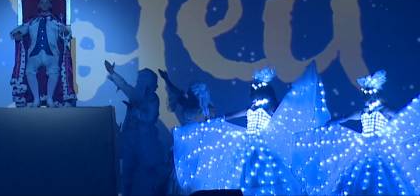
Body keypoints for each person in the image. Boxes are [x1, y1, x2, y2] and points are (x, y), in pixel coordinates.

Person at [173, 63, 329, 195]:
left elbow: (281, 114)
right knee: (247, 171)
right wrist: (218, 120)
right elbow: (232, 115)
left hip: (262, 144)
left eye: (254, 88)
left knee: (264, 171)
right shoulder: (252, 107)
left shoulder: (270, 108)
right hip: (248, 143)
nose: (252, 91)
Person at [293, 70, 420, 195]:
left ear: (376, 94)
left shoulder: (383, 110)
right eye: (365, 93)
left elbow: (400, 117)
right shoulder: (363, 112)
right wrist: (331, 124)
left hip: (380, 146)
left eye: (369, 93)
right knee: (358, 176)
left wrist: (389, 115)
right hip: (364, 146)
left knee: (381, 176)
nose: (367, 97)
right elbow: (346, 117)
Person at [105, 61, 168, 195]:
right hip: (130, 139)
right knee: (128, 169)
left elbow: (150, 118)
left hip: (145, 141)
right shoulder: (136, 95)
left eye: (141, 80)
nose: (138, 83)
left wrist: (136, 113)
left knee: (146, 172)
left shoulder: (152, 99)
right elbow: (124, 85)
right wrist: (113, 73)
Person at [10, 0, 72, 107]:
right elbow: (21, 29)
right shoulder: (32, 22)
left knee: (54, 71)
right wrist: (17, 34)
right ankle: (36, 99)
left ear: (50, 5)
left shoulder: (56, 22)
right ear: (39, 5)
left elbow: (66, 33)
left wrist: (65, 32)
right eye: (42, 2)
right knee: (29, 71)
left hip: (51, 54)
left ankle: (50, 99)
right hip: (34, 54)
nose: (44, 5)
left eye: (46, 2)